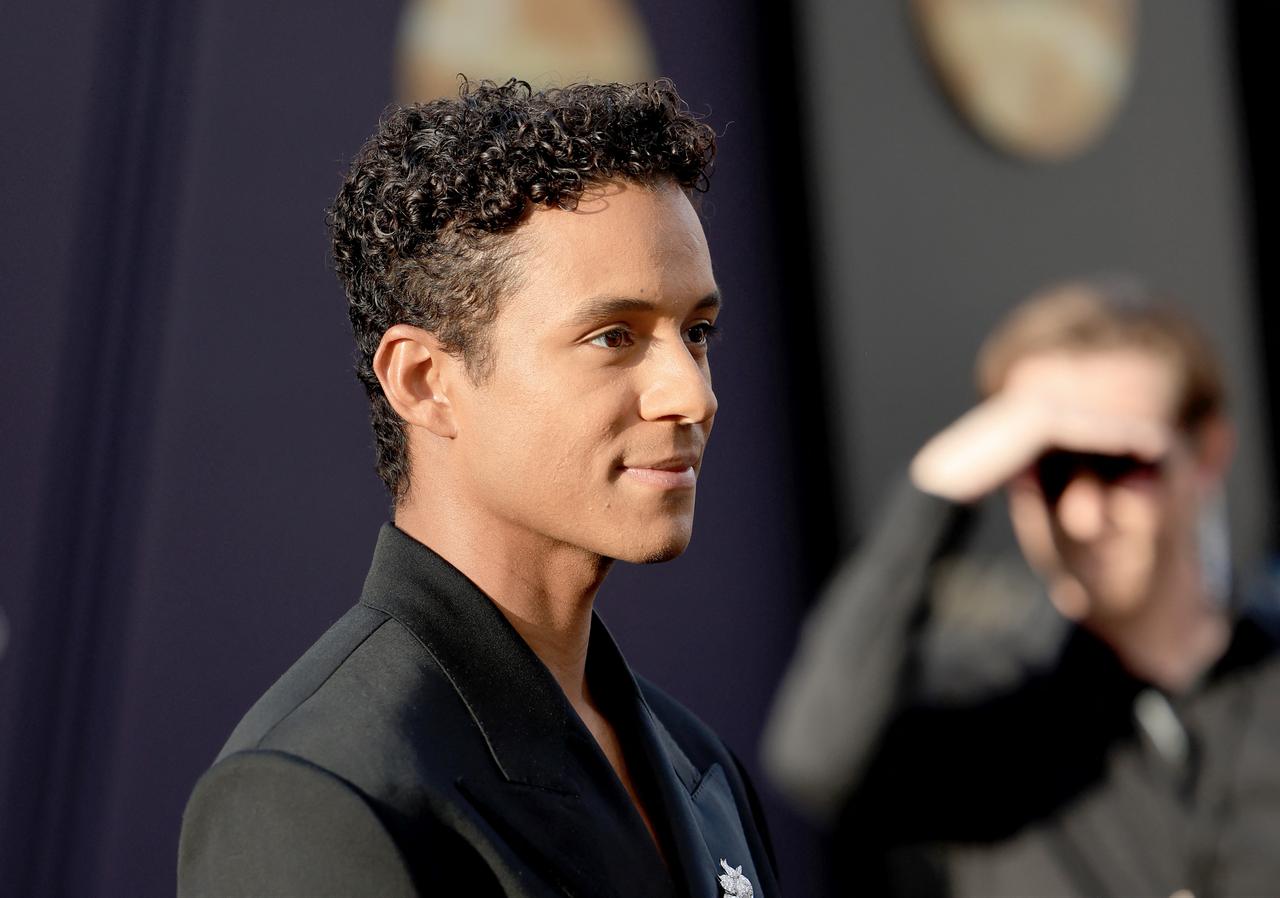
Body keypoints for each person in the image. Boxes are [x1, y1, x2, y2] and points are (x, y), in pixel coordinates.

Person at [178, 79, 778, 898]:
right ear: (424, 381)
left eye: (697, 333)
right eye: (614, 336)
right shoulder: (318, 791)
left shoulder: (699, 765)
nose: (694, 394)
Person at [762, 277, 1280, 898]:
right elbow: (817, 761)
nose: (1084, 517)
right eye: (1051, 469)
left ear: (1206, 455)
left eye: (1120, 464)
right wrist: (939, 488)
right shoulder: (988, 706)